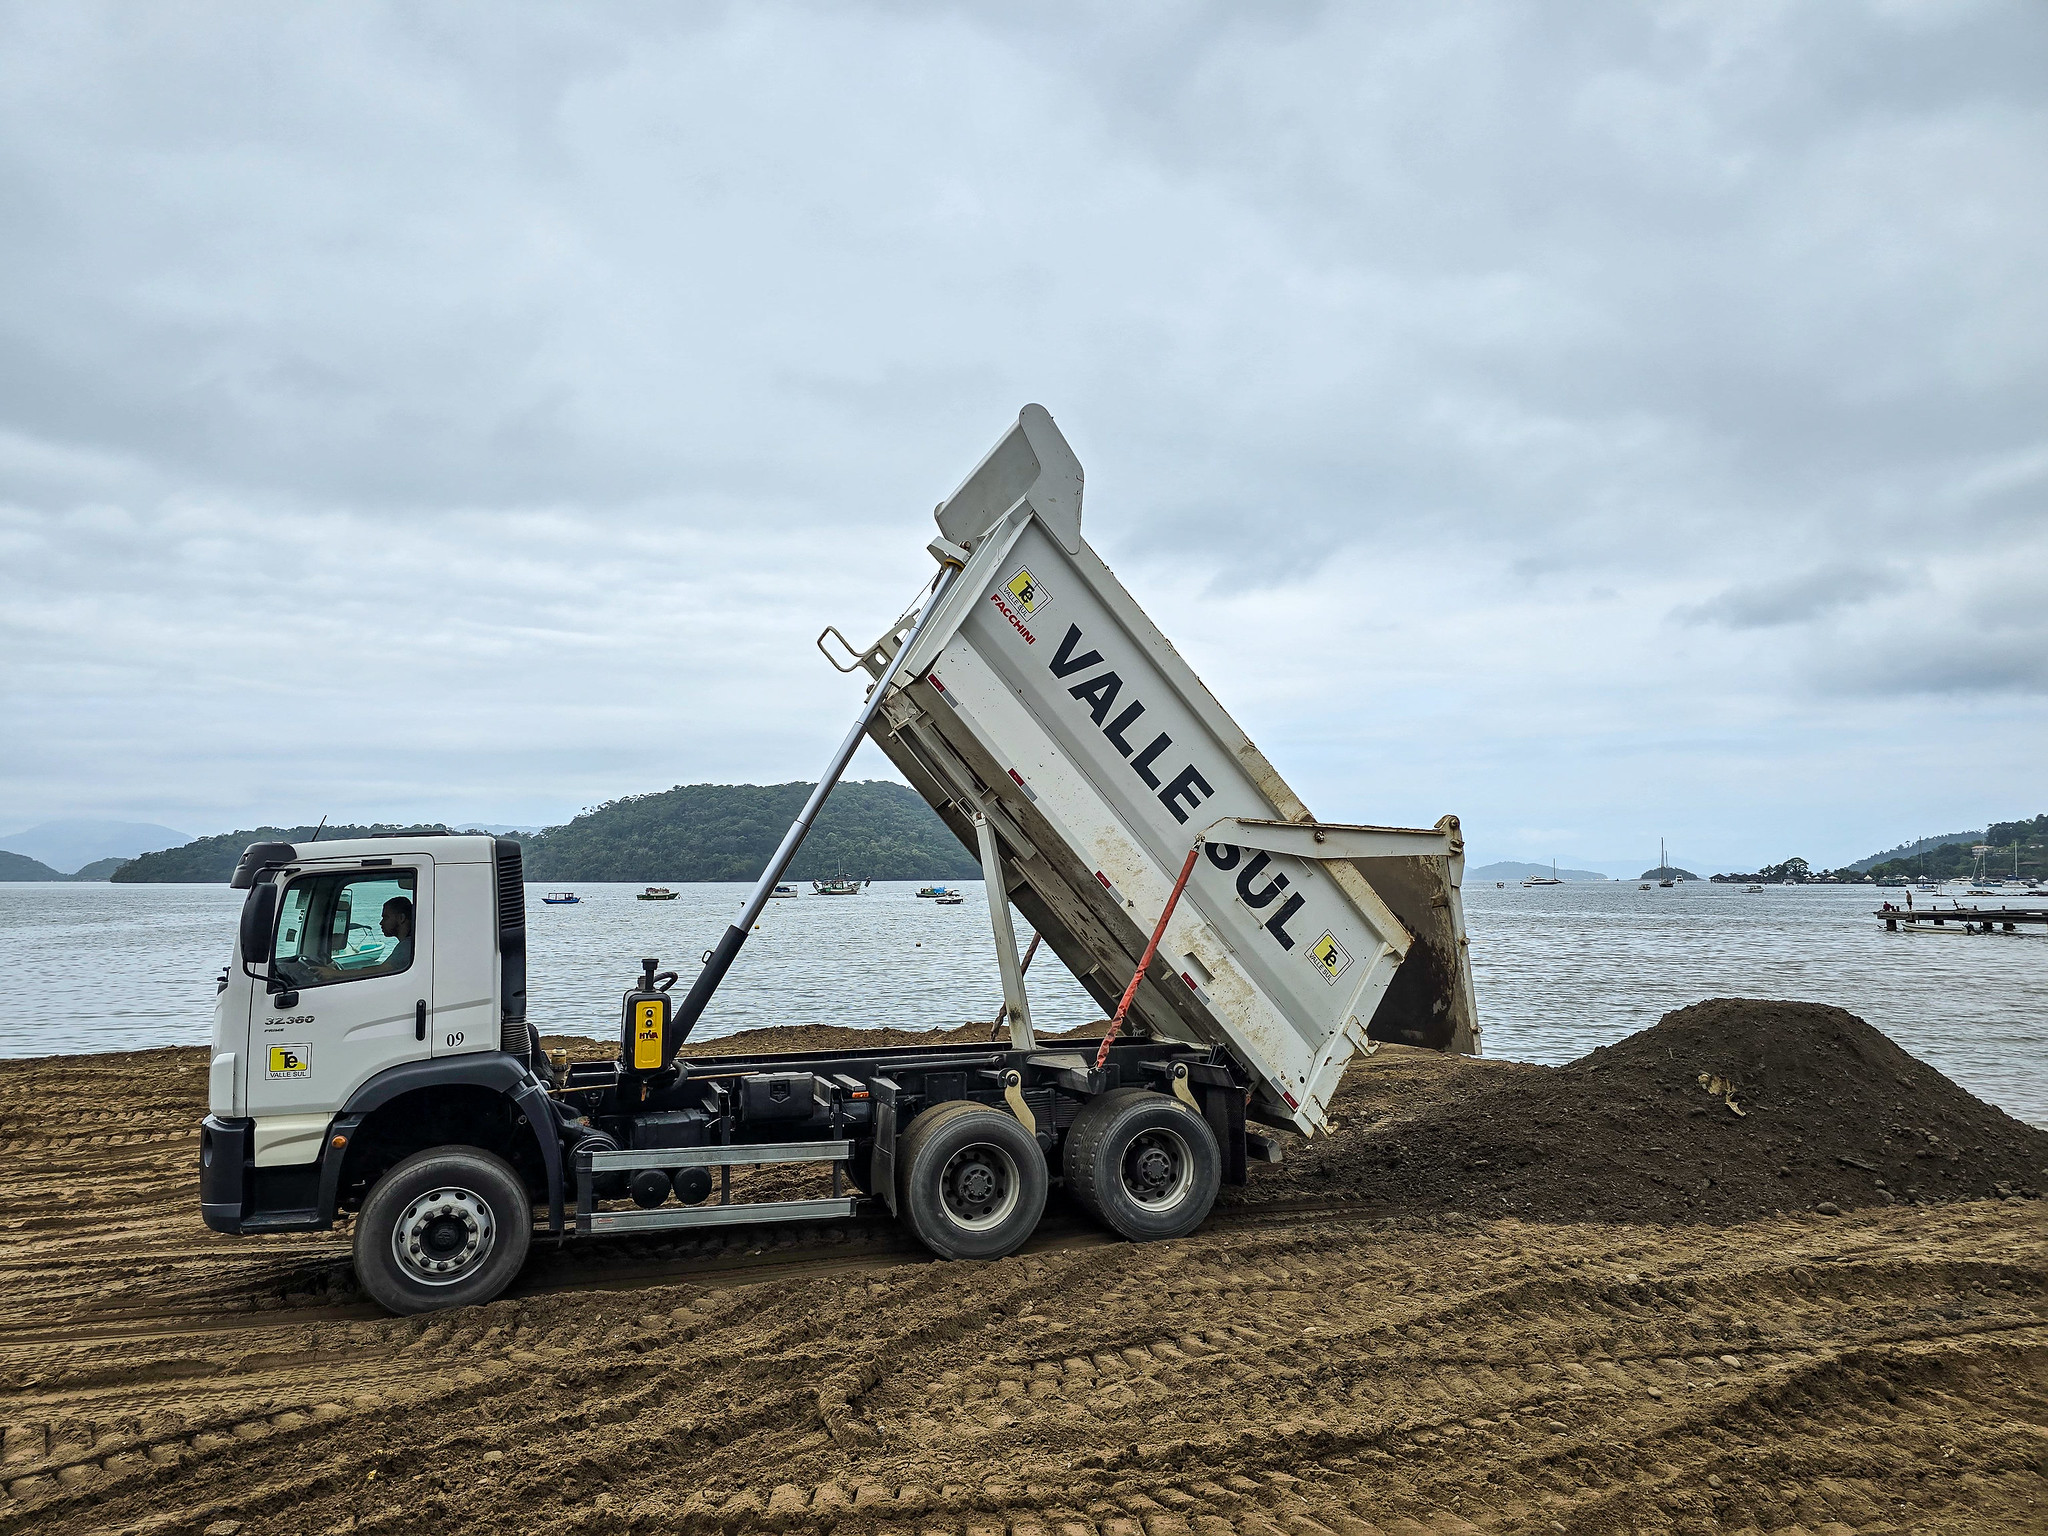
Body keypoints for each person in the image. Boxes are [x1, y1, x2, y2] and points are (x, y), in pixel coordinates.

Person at [381, 897, 414, 971]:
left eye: (386, 918)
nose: (381, 923)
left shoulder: (406, 947)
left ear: (401, 918)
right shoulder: (411, 943)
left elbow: (382, 970)